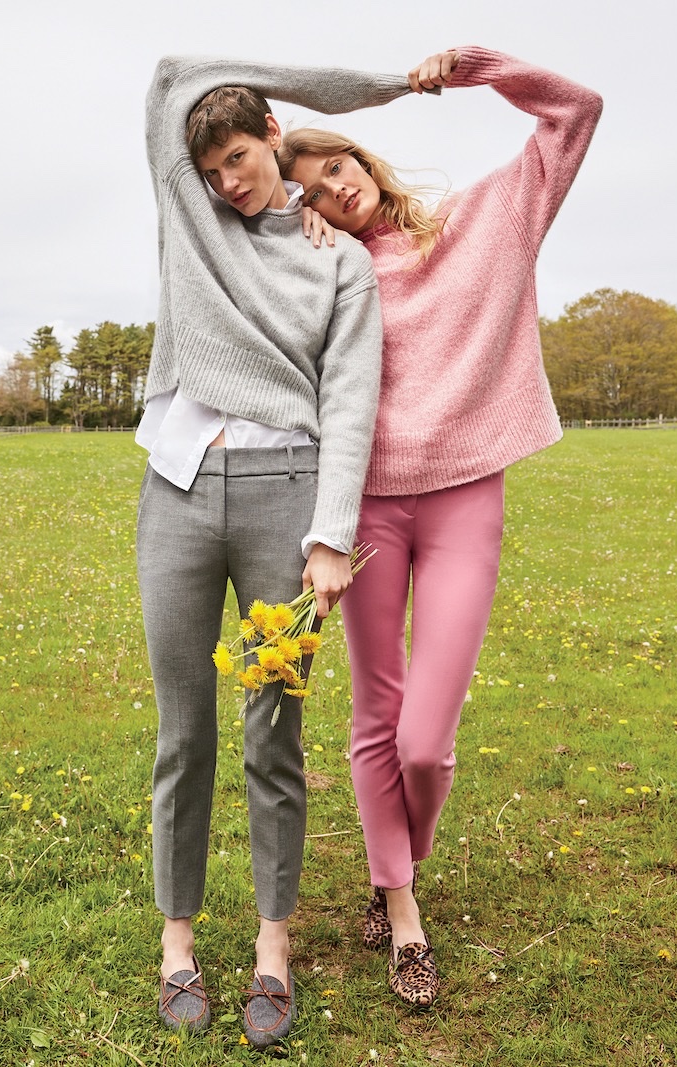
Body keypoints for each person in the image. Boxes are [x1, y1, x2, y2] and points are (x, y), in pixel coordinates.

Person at [277, 47, 603, 1007]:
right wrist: (295, 251)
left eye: (336, 167)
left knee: (427, 740)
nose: (335, 192)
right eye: (313, 192)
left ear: (363, 159)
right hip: (367, 506)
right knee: (376, 716)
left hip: (466, 497)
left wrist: (480, 69)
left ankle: (396, 860)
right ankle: (400, 903)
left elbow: (576, 112)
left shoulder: (488, 218)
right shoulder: (327, 271)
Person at [137, 57, 394, 1044]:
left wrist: (330, 534)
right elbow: (173, 76)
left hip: (286, 497)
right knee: (183, 732)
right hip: (178, 491)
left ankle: (272, 949)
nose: (227, 182)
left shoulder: (339, 259)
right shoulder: (193, 222)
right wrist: (378, 88)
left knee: (271, 735)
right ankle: (176, 943)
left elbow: (350, 397)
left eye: (239, 157)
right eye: (210, 169)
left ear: (273, 133)